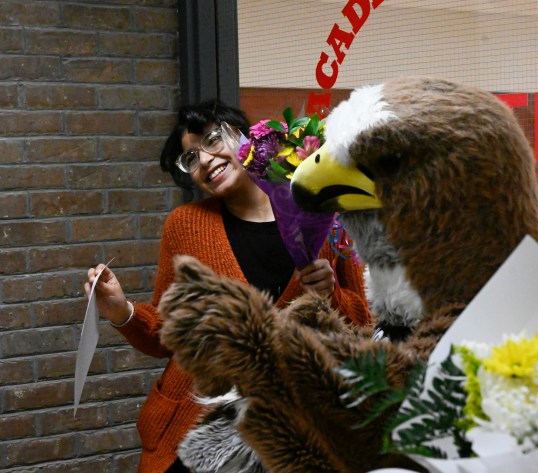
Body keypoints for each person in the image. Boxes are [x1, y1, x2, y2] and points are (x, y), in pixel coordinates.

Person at [84, 99, 373, 473]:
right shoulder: (185, 225)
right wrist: (121, 312)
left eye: (212, 140)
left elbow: (364, 327)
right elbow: (165, 335)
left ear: (244, 137)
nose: (203, 160)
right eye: (190, 158)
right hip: (198, 431)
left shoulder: (319, 211)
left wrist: (329, 296)